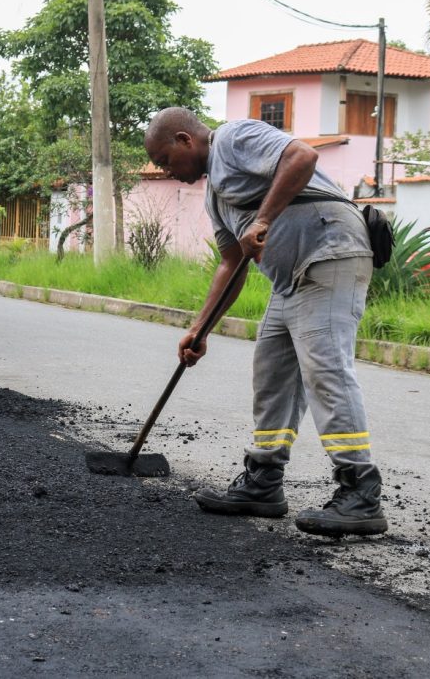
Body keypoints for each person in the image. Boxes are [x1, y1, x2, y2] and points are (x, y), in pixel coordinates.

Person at [143, 107, 387, 537]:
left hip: (329, 253)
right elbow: (230, 263)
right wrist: (200, 329)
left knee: (325, 369)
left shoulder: (234, 138)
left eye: (165, 161)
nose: (167, 172)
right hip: (289, 280)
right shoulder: (214, 196)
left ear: (185, 140)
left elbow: (302, 157)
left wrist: (263, 219)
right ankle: (263, 482)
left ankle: (360, 492)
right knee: (271, 373)